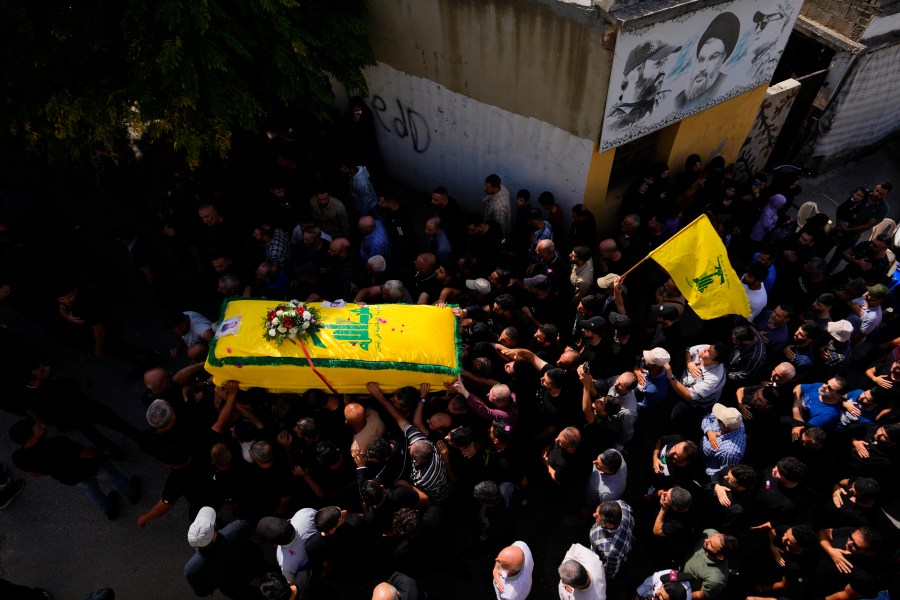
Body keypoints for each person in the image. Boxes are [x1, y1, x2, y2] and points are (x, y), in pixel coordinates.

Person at [606, 40, 682, 129]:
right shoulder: (614, 123)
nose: (665, 70)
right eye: (658, 63)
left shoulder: (667, 97)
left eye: (665, 62)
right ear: (633, 75)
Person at [675, 13, 740, 111]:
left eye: (713, 57)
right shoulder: (680, 98)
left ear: (723, 57)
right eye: (701, 59)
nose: (703, 67)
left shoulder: (727, 85)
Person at [588, 500, 634, 580]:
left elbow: (609, 571)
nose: (594, 515)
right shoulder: (622, 505)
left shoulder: (612, 551)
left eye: (598, 517)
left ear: (609, 525)